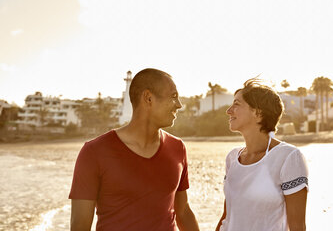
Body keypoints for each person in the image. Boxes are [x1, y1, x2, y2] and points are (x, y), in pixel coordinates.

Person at [69, 68, 200, 231]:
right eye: (173, 97)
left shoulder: (177, 148)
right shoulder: (95, 152)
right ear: (148, 98)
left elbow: (183, 212)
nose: (179, 105)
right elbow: (79, 226)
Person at [216, 78, 309, 231]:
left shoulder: (289, 157)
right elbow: (227, 217)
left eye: (237, 104)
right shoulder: (232, 158)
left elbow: (297, 227)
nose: (229, 110)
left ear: (258, 113)